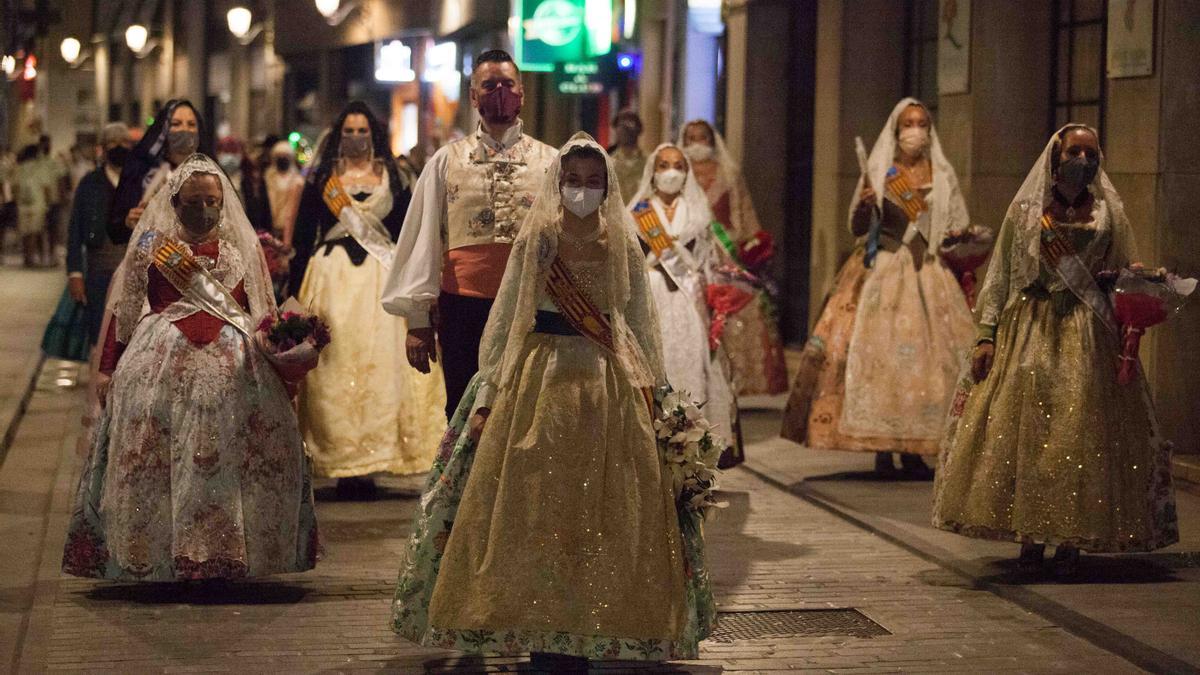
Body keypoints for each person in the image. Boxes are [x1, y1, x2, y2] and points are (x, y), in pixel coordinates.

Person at [391, 133, 709, 667]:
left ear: (606, 187)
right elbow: (512, 313)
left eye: (592, 182)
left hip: (607, 380)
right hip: (541, 375)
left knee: (608, 505)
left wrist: (654, 389)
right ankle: (537, 622)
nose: (581, 191)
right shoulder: (538, 236)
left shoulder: (621, 242)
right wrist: (492, 383)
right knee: (535, 501)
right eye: (572, 181)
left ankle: (597, 619)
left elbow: (636, 321)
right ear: (556, 184)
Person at [932, 125, 1178, 576]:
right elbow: (1002, 275)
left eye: (1090, 152)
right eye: (1074, 151)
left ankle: (1072, 538)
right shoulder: (1028, 211)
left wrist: (1138, 288)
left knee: (1081, 432)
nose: (1081, 160)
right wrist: (986, 334)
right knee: (1026, 434)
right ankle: (1029, 535)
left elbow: (1122, 266)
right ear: (1055, 155)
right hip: (1032, 326)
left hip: (1089, 333)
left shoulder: (1107, 211)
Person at [61, 153, 318, 581]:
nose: (204, 211)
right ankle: (158, 552)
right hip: (158, 358)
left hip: (236, 366)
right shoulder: (150, 245)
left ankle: (232, 549)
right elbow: (126, 312)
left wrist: (284, 359)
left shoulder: (240, 248)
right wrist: (110, 367)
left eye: (212, 202)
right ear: (175, 203)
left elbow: (261, 311)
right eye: (193, 202)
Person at [781, 98, 975, 479]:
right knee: (882, 358)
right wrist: (866, 205)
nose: (915, 130)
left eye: (922, 123)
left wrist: (959, 239)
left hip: (929, 273)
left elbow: (956, 227)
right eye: (908, 124)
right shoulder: (881, 171)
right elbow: (856, 226)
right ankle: (884, 446)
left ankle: (918, 447)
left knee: (928, 363)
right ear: (896, 130)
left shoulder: (943, 174)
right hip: (885, 269)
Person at [382, 49, 557, 420]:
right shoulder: (447, 161)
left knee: (524, 410)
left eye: (507, 84)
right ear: (474, 96)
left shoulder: (551, 162)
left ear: (522, 92)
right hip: (462, 307)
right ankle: (463, 479)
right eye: (489, 85)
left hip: (529, 306)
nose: (499, 92)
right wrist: (417, 322)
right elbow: (423, 238)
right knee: (462, 406)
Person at [289, 101, 443, 499]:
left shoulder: (394, 175)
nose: (356, 138)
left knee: (383, 366)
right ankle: (338, 458)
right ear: (339, 135)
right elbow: (304, 234)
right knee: (334, 366)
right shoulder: (323, 178)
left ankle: (377, 457)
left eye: (362, 131)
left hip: (381, 281)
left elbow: (407, 232)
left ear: (373, 134)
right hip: (331, 278)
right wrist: (290, 290)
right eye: (349, 131)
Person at [627, 142, 739, 461]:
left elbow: (710, 264)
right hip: (651, 299)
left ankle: (692, 450)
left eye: (678, 165)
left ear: (687, 172)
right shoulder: (638, 214)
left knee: (690, 365)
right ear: (653, 172)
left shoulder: (699, 213)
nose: (671, 172)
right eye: (663, 165)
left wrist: (719, 306)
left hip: (690, 301)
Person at [678, 119, 787, 395]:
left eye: (701, 137)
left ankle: (738, 379)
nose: (696, 143)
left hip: (724, 252)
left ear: (712, 140)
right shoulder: (679, 172)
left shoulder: (729, 173)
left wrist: (752, 245)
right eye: (690, 137)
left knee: (737, 307)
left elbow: (744, 213)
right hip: (687, 250)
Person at [63, 123, 132, 346]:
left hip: (133, 270)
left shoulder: (140, 183)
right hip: (98, 270)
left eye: (124, 143)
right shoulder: (89, 183)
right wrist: (75, 273)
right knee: (99, 336)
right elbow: (75, 230)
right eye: (113, 143)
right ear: (102, 148)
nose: (119, 148)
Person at [109, 99, 211, 245]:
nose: (185, 130)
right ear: (163, 129)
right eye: (176, 124)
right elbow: (114, 228)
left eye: (191, 124)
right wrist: (127, 221)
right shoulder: (141, 171)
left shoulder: (208, 172)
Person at [14, 144, 50, 267]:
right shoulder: (40, 167)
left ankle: (26, 257)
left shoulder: (20, 168)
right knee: (34, 231)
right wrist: (48, 201)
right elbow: (45, 187)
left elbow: (15, 187)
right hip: (37, 203)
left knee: (25, 231)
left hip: (22, 203)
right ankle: (31, 257)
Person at [265, 140, 304, 246]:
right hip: (270, 227)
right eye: (279, 155)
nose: (282, 158)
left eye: (285, 155)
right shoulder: (267, 177)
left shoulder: (297, 180)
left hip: (289, 229)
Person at [609, 108, 646, 203]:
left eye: (629, 126)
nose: (625, 131)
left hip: (643, 214)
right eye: (621, 126)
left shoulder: (649, 161)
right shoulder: (608, 162)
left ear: (638, 130)